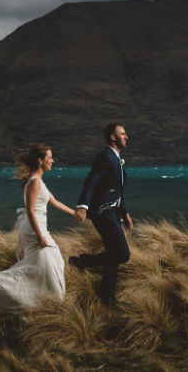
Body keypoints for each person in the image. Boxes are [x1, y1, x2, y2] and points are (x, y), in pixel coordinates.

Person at [0, 143, 76, 314]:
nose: (52, 161)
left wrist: (75, 213)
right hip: (34, 229)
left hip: (36, 227)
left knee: (48, 263)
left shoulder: (38, 181)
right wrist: (40, 235)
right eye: (49, 158)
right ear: (40, 161)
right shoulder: (34, 182)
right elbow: (31, 211)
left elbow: (53, 201)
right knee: (48, 262)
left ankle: (44, 303)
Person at [69, 124, 132, 307]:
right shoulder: (105, 157)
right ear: (113, 137)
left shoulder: (117, 158)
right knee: (122, 253)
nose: (126, 137)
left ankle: (108, 299)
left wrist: (125, 212)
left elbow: (116, 191)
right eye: (123, 134)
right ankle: (82, 261)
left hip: (113, 211)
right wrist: (83, 206)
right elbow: (92, 181)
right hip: (103, 212)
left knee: (114, 254)